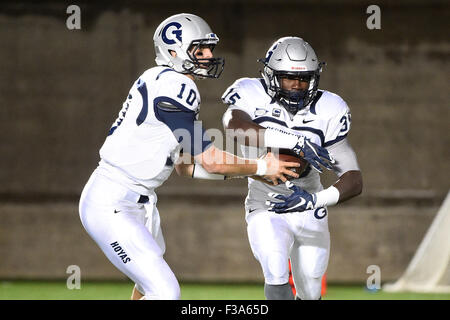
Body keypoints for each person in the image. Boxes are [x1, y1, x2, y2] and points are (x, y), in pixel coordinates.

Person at [78, 15, 327, 300]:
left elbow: (187, 166)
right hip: (112, 202)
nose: (209, 56)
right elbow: (209, 159)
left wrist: (255, 172)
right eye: (200, 50)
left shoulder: (159, 79)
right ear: (173, 51)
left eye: (209, 48)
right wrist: (261, 164)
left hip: (135, 200)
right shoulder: (176, 87)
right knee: (165, 292)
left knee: (148, 285)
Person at [222, 36, 363, 300]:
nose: (297, 86)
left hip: (309, 206)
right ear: (271, 76)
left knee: (310, 289)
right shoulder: (251, 93)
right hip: (265, 202)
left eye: (304, 79)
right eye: (289, 78)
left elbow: (354, 179)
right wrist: (296, 142)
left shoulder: (330, 109)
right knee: (275, 270)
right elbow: (235, 126)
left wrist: (314, 200)